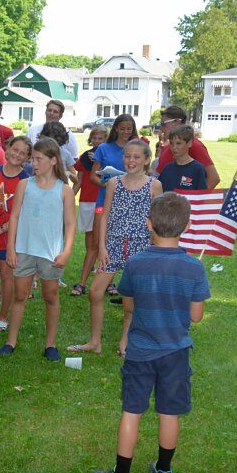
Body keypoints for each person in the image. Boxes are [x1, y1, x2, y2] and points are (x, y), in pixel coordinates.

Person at [92, 192, 210, 473]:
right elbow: (196, 317)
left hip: (141, 350)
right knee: (168, 412)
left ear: (148, 224)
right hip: (176, 352)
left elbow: (129, 305)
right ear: (186, 225)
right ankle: (164, 471)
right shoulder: (194, 268)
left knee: (132, 411)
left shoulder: (135, 263)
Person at [67, 140, 163, 357]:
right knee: (95, 291)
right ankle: (94, 342)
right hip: (113, 245)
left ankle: (125, 341)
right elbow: (105, 215)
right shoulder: (114, 183)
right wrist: (102, 246)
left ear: (146, 159)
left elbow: (157, 219)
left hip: (140, 246)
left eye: (137, 157)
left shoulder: (154, 185)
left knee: (130, 300)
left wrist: (155, 248)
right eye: (127, 156)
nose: (131, 161)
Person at [0, 138, 76, 362]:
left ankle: (50, 344)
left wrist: (67, 250)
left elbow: (70, 224)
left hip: (50, 252)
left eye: (39, 159)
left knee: (50, 296)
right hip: (24, 248)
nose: (34, 163)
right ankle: (11, 340)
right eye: (33, 159)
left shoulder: (64, 190)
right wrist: (11, 248)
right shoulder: (25, 184)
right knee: (20, 294)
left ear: (53, 160)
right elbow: (14, 217)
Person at [90, 114, 140, 297]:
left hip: (130, 203)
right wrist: (110, 185)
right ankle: (105, 279)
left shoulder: (136, 148)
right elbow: (93, 176)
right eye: (122, 128)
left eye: (129, 128)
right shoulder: (104, 148)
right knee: (101, 240)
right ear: (116, 128)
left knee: (126, 240)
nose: (126, 132)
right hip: (105, 200)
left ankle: (121, 282)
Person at [0, 135, 31, 332]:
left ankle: (3, 317)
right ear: (8, 148)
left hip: (7, 235)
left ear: (27, 157)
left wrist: (3, 229)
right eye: (15, 149)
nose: (17, 155)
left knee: (6, 276)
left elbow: (24, 213)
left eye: (23, 153)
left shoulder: (26, 181)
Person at [70, 125, 109, 297]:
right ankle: (91, 264)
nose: (97, 142)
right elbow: (78, 180)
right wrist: (70, 197)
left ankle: (107, 278)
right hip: (87, 200)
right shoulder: (85, 157)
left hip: (102, 200)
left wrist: (101, 162)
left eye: (101, 139)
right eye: (95, 138)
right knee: (89, 235)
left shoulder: (108, 157)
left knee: (102, 239)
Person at [155, 105, 220, 189]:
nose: (161, 127)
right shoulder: (167, 148)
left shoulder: (194, 145)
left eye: (163, 123)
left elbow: (213, 178)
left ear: (177, 122)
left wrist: (195, 198)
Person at [158, 125, 208, 192]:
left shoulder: (197, 169)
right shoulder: (167, 168)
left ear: (189, 143)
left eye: (178, 143)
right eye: (171, 143)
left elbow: (201, 195)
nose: (174, 147)